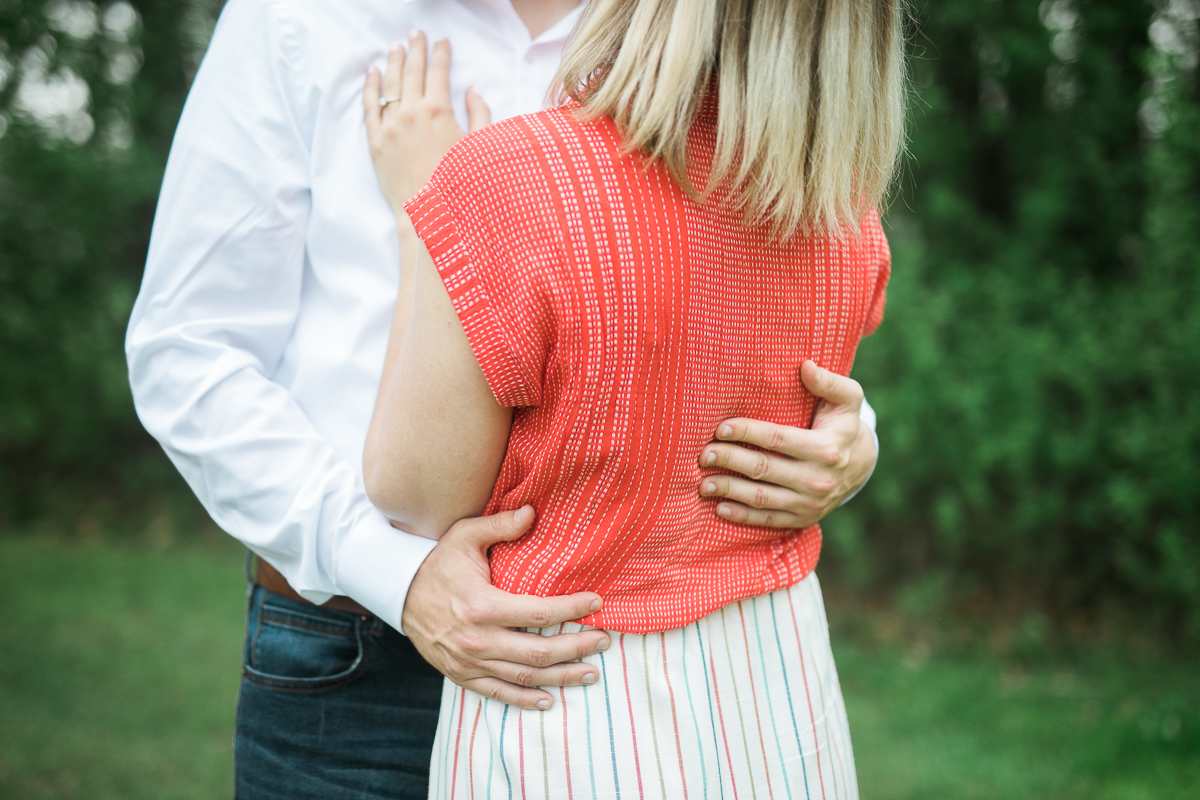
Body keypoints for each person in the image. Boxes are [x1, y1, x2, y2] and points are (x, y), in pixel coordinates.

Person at [125, 1, 880, 797]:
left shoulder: (682, 20)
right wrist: (396, 575)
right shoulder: (301, 17)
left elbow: (752, 267)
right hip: (350, 656)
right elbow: (188, 352)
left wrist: (849, 433)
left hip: (593, 668)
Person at [363, 0, 903, 797]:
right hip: (781, 693)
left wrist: (422, 217)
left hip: (572, 707)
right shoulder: (842, 211)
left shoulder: (508, 180)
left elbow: (415, 497)